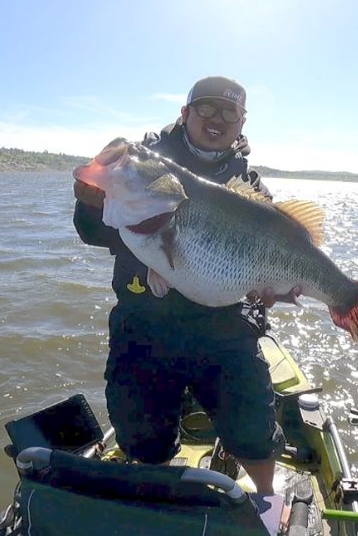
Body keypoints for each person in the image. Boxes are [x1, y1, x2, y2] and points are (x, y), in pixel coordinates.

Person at [72, 76, 284, 494]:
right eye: (206, 108)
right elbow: (93, 232)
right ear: (184, 114)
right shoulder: (144, 164)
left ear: (242, 123)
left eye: (229, 112)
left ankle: (265, 500)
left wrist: (270, 285)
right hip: (145, 322)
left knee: (253, 428)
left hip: (225, 324)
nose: (216, 119)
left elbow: (273, 253)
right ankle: (161, 493)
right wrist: (90, 201)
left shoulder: (252, 185)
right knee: (142, 437)